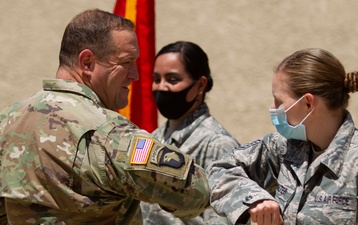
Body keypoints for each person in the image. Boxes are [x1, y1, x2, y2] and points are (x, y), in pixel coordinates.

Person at [0, 9, 210, 224]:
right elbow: (196, 193)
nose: (135, 75)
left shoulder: (8, 120)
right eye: (126, 62)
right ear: (87, 62)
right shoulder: (107, 133)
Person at [207, 48, 358, 225]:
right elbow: (219, 168)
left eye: (279, 100)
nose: (273, 107)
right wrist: (255, 199)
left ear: (308, 103)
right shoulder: (284, 146)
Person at [138, 41, 240, 225]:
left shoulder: (217, 144)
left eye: (172, 79)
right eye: (156, 79)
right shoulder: (152, 138)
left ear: (200, 85)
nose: (161, 87)